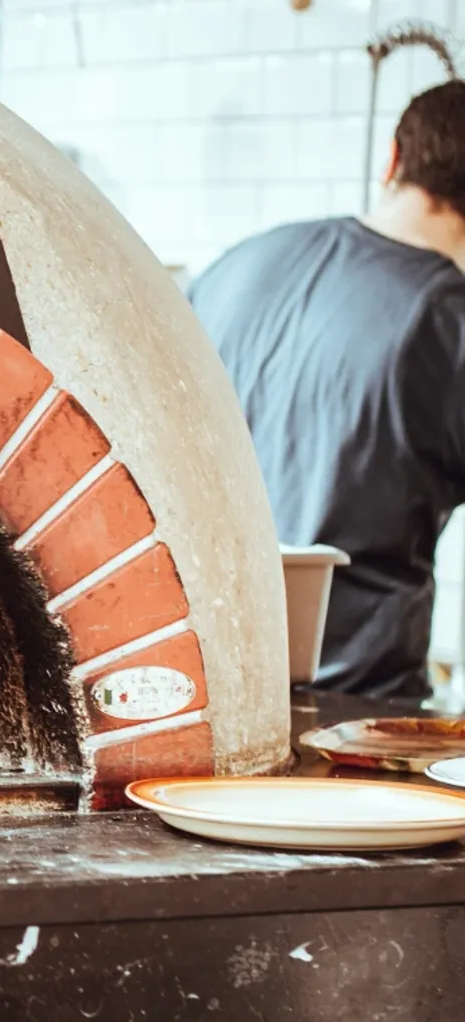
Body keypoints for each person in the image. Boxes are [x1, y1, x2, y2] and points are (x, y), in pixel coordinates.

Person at [187, 80, 465, 701]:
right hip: (357, 715)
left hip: (209, 686)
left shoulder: (241, 262)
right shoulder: (450, 320)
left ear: (393, 159)